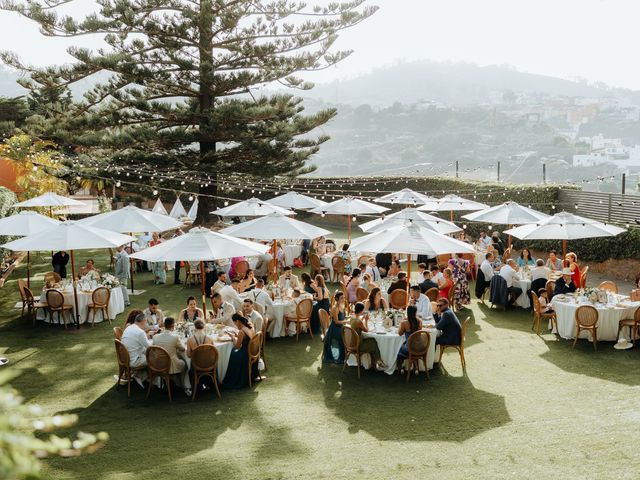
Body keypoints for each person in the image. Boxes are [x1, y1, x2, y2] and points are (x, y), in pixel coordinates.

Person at [152, 316, 191, 396]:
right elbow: (183, 349)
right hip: (170, 365)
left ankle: (173, 382)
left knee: (177, 358)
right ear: (173, 326)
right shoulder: (175, 337)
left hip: (158, 365)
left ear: (164, 325)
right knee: (186, 364)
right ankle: (184, 386)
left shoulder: (155, 337)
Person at [222, 313, 259, 389]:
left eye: (234, 322)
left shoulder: (242, 331)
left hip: (246, 354)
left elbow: (237, 346)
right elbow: (247, 339)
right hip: (253, 351)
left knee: (231, 354)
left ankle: (233, 379)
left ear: (238, 321)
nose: (235, 325)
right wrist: (237, 336)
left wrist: (233, 338)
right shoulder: (250, 326)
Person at [120, 312, 151, 386]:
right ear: (143, 321)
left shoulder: (129, 327)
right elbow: (149, 347)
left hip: (125, 358)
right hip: (133, 361)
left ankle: (141, 376)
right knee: (155, 358)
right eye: (146, 322)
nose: (146, 324)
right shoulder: (140, 332)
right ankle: (153, 381)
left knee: (146, 352)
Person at [349, 302, 382, 369]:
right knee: (373, 342)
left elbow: (358, 323)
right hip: (358, 345)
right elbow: (366, 330)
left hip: (352, 342)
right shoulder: (359, 322)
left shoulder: (352, 317)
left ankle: (374, 363)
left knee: (372, 340)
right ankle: (378, 361)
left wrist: (363, 318)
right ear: (361, 310)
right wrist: (366, 320)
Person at [323, 292, 347, 364]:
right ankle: (338, 357)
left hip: (341, 326)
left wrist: (349, 318)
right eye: (341, 298)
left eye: (344, 297)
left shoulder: (342, 305)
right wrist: (346, 322)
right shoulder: (335, 308)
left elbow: (342, 317)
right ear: (337, 299)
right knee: (343, 337)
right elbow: (336, 322)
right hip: (335, 329)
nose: (343, 299)